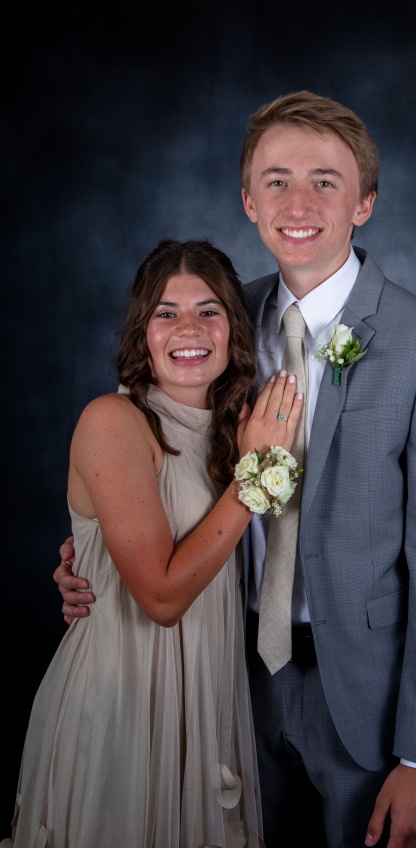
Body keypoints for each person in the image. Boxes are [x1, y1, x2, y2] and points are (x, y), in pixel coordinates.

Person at [53, 92, 416, 848]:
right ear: (249, 201)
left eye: (325, 181)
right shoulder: (216, 320)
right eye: (276, 180)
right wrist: (92, 554)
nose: (298, 203)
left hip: (365, 697)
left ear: (365, 203)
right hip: (228, 671)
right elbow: (149, 457)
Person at [4, 238, 304, 848]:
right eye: (166, 312)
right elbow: (162, 598)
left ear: (233, 329)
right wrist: (257, 474)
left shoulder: (237, 428)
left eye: (208, 310)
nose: (188, 329)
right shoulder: (113, 421)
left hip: (205, 695)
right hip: (124, 701)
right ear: (143, 332)